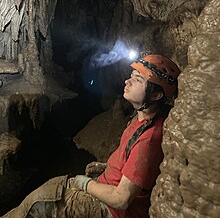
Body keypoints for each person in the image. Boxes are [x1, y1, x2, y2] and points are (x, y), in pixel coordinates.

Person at [2, 54, 180, 218]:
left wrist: (85, 184)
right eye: (131, 76)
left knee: (39, 203)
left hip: (112, 210)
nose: (127, 81)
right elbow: (132, 167)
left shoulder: (148, 139)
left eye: (138, 80)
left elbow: (122, 199)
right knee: (53, 186)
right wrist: (107, 167)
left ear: (156, 95)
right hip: (108, 189)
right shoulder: (141, 119)